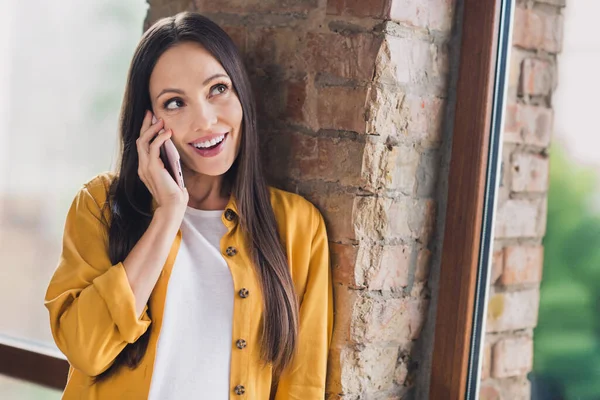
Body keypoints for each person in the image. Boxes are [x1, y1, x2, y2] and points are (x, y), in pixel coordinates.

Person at [44, 11, 333, 400]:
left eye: (217, 89)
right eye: (175, 103)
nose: (205, 121)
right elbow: (86, 350)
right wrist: (167, 215)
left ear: (241, 93)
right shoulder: (98, 205)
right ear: (148, 122)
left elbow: (303, 386)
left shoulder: (298, 227)